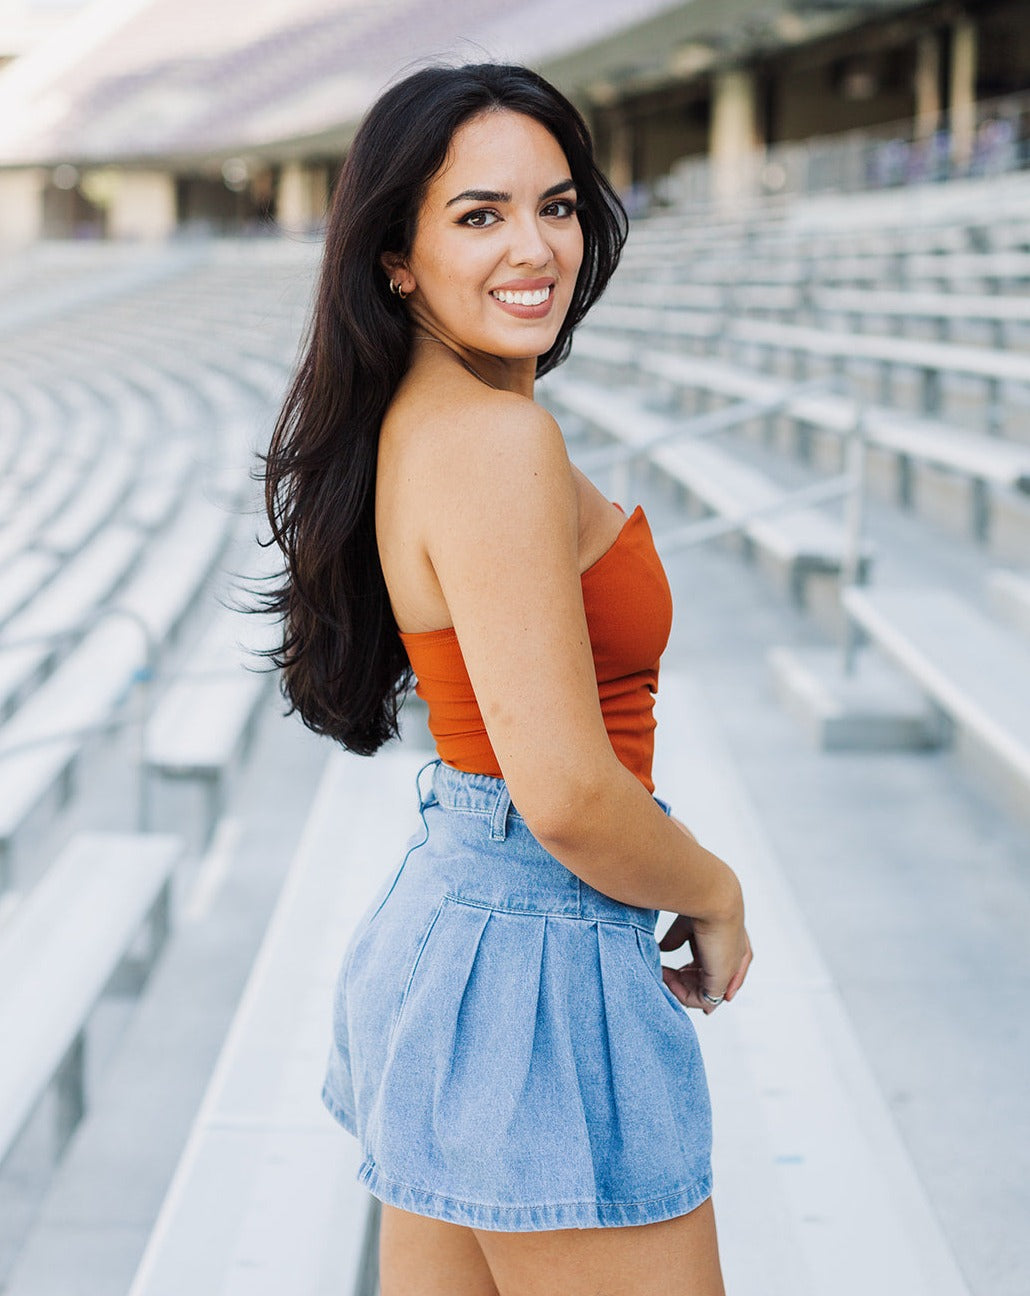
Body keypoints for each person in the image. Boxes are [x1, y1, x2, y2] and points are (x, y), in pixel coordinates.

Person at [260, 62, 752, 1296]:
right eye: (478, 215)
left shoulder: (431, 418)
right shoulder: (493, 439)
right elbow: (571, 797)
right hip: (533, 961)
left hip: (465, 942)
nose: (535, 247)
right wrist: (716, 888)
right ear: (396, 258)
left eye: (559, 204)